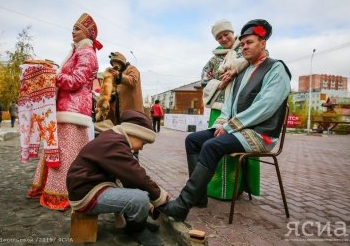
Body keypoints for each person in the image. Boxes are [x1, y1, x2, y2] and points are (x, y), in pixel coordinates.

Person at [157, 19, 291, 221]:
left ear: (263, 43)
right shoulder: (243, 70)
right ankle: (198, 198)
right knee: (192, 140)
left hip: (259, 134)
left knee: (211, 146)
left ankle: (182, 205)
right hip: (239, 130)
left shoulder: (276, 69)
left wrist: (230, 127)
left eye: (250, 42)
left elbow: (265, 107)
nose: (244, 46)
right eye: (243, 43)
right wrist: (221, 123)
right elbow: (230, 103)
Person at [26, 12, 102, 210]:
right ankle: (53, 189)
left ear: (86, 32)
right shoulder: (78, 52)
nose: (72, 31)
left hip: (74, 111)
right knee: (59, 151)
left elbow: (76, 81)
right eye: (73, 28)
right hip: (66, 108)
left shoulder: (86, 53)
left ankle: (64, 193)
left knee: (67, 154)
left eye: (77, 28)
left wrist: (52, 75)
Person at [67, 110, 168, 246]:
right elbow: (137, 175)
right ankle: (136, 230)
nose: (142, 148)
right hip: (86, 194)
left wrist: (151, 200)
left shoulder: (114, 139)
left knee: (140, 194)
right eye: (143, 143)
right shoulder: (115, 144)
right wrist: (159, 196)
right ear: (134, 133)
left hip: (89, 186)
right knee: (140, 199)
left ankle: (138, 222)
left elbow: (129, 177)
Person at [200, 20, 250, 202]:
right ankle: (214, 189)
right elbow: (205, 81)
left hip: (241, 106)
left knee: (239, 146)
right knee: (216, 146)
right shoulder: (213, 60)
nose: (223, 39)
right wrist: (220, 83)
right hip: (219, 109)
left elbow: (258, 62)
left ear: (232, 32)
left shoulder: (245, 48)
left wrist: (235, 70)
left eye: (226, 34)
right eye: (219, 37)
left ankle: (240, 187)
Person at [96, 52, 143, 125]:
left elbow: (133, 80)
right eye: (113, 64)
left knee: (131, 130)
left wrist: (119, 75)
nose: (114, 65)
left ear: (121, 62)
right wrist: (112, 97)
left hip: (132, 110)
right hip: (120, 111)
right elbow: (118, 90)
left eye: (116, 63)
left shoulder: (131, 68)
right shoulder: (119, 74)